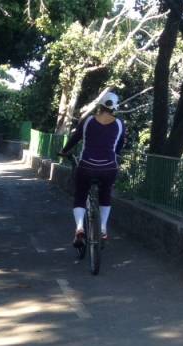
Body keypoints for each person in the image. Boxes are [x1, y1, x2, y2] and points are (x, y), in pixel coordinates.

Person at [59, 90, 127, 247]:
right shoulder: (119, 124)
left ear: (100, 105)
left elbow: (75, 138)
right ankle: (103, 228)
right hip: (109, 168)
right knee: (105, 195)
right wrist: (113, 155)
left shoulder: (88, 120)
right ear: (114, 107)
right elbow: (120, 145)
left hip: (87, 166)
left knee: (80, 195)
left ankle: (79, 228)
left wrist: (64, 151)